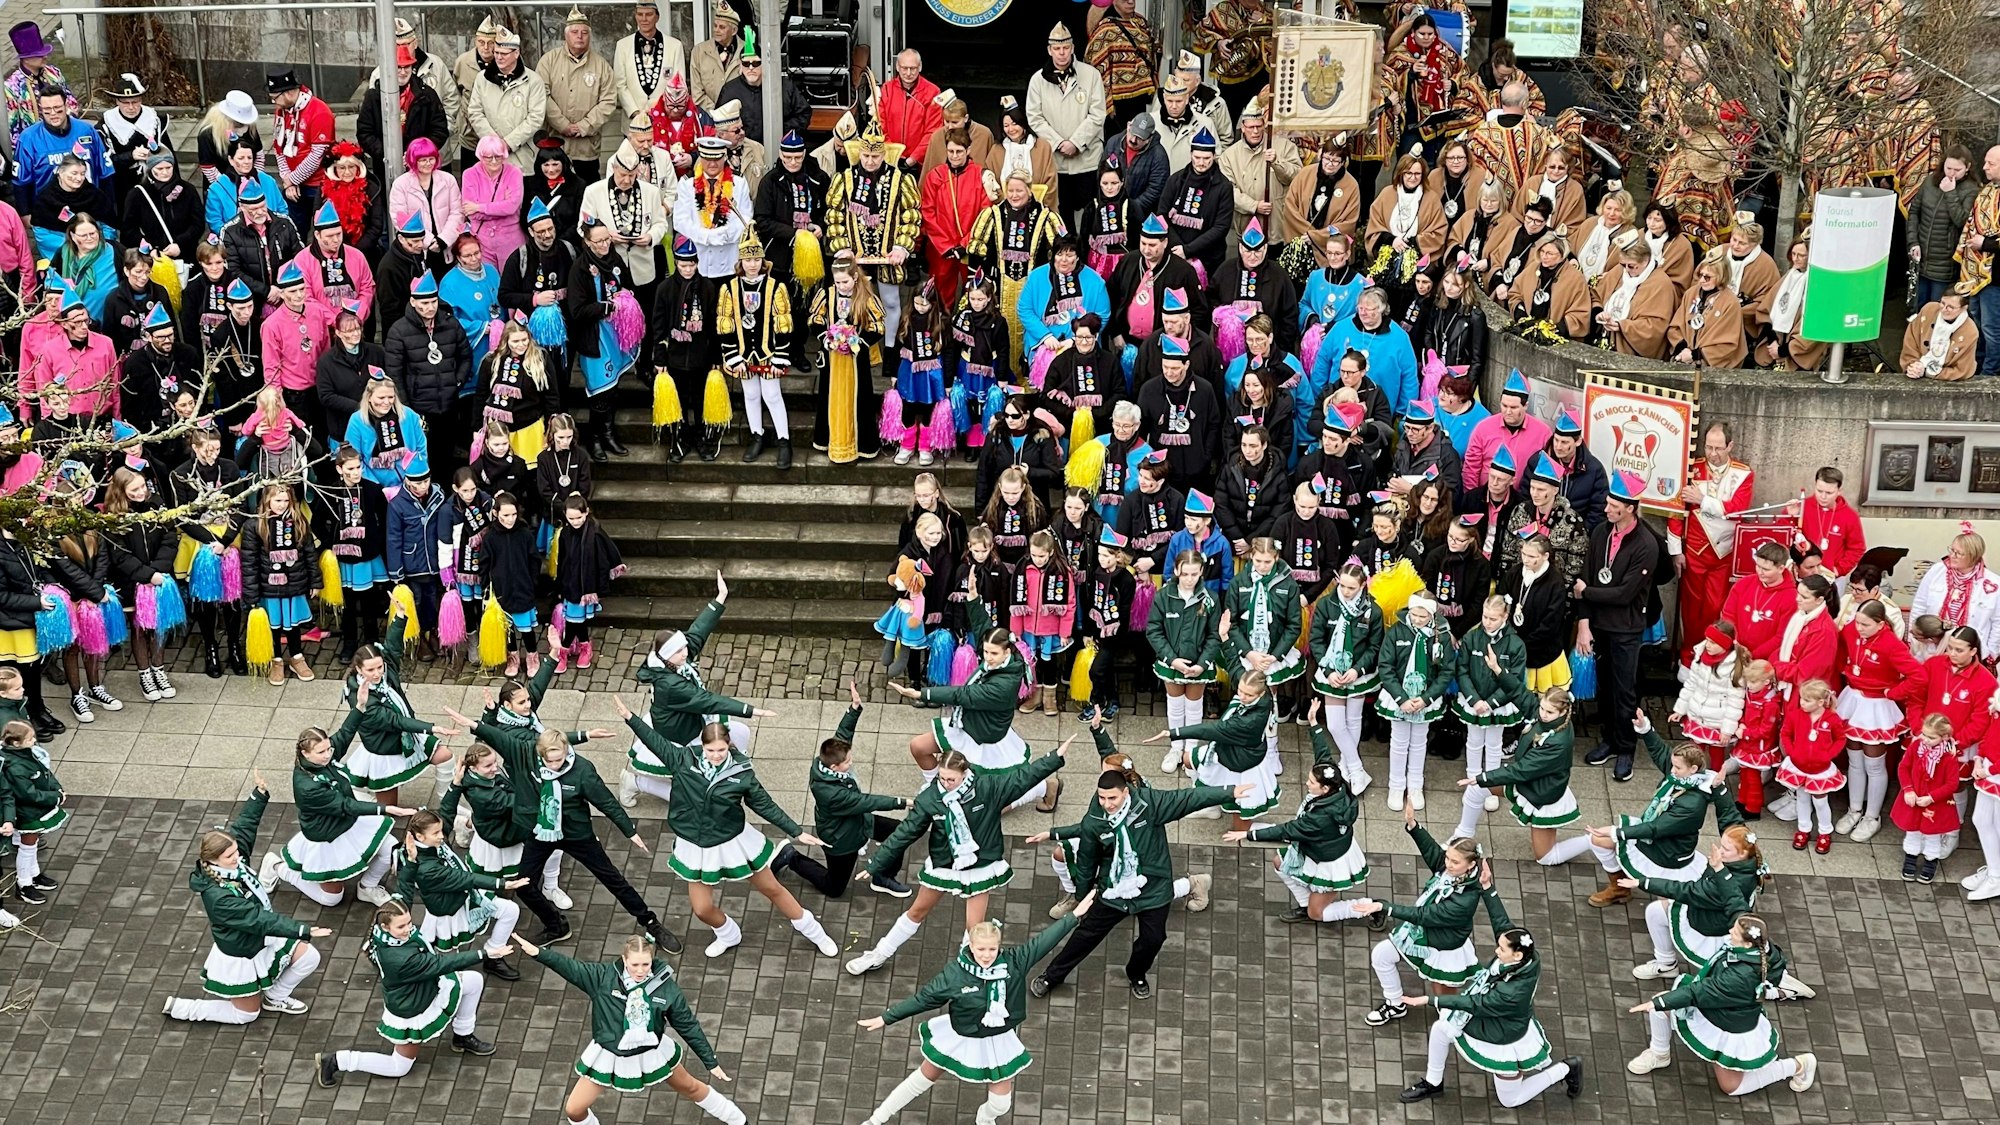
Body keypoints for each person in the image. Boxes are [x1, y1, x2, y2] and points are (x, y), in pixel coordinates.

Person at [616, 696, 837, 959]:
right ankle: (729, 934)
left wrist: (796, 831)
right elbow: (655, 740)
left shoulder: (741, 773)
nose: (716, 755)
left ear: (729, 745)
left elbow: (764, 805)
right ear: (702, 746)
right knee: (701, 909)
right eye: (711, 750)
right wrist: (630, 718)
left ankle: (816, 933)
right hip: (695, 844)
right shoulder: (682, 759)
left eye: (721, 749)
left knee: (772, 888)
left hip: (732, 839)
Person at [842, 739, 1070, 976]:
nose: (945, 784)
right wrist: (877, 862)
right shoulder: (930, 798)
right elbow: (905, 832)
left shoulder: (987, 787)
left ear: (965, 773)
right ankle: (879, 954)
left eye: (951, 779)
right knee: (916, 911)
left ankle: (964, 974)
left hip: (980, 864)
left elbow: (1024, 778)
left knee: (974, 927)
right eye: (942, 778)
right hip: (946, 863)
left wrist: (1055, 757)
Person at [855, 902, 1088, 1125]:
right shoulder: (954, 975)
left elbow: (1044, 941)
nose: (986, 955)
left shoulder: (1015, 962)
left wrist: (1074, 916)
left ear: (999, 947)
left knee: (1001, 1104)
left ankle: (985, 1118)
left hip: (999, 1039)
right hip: (961, 1036)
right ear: (971, 946)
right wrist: (886, 1018)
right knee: (922, 1079)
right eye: (981, 949)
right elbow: (923, 1000)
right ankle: (876, 1120)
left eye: (992, 949)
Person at [1026, 766, 1235, 999]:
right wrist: (1082, 898)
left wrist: (1230, 792)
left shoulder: (1150, 804)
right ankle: (1052, 976)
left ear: (1125, 792)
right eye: (1102, 798)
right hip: (1114, 890)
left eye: (1112, 798)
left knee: (1154, 939)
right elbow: (1086, 862)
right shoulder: (1094, 820)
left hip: (1153, 888)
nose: (1107, 804)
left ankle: (1136, 973)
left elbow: (1189, 798)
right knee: (1086, 935)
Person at [516, 931, 746, 1125]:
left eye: (645, 964)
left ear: (652, 961)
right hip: (609, 1053)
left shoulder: (666, 989)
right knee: (574, 1110)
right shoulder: (602, 978)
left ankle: (737, 1119)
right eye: (635, 964)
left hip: (651, 1052)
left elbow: (687, 1025)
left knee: (692, 1088)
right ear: (624, 960)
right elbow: (570, 967)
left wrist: (710, 1061)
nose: (640, 970)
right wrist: (538, 953)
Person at [164, 770, 332, 1024]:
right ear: (213, 860)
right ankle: (182, 1008)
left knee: (309, 957)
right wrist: (302, 930)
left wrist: (259, 795)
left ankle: (275, 997)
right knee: (246, 1014)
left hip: (259, 937)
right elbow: (257, 919)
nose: (238, 857)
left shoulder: (231, 864)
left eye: (235, 851)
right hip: (242, 952)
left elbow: (244, 827)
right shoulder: (219, 897)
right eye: (230, 856)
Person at [1393, 897, 1582, 1107]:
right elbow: (1500, 921)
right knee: (1441, 1028)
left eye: (1502, 949)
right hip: (1493, 1019)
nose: (1496, 951)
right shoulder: (1525, 957)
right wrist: (1488, 890)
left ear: (1517, 955)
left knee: (1510, 1100)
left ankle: (1565, 1069)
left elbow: (1475, 1003)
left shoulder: (1511, 993)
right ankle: (1433, 1083)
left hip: (1502, 1034)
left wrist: (1430, 999)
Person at [1625, 914, 1818, 1097]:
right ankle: (1659, 1054)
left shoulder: (1740, 977)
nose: (1730, 931)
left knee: (1731, 1087)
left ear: (1747, 943)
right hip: (1718, 1009)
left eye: (1735, 932)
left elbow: (1701, 991)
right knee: (1661, 1007)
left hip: (1728, 1025)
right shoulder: (1759, 949)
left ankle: (1799, 1065)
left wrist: (1658, 1003)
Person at [1228, 706, 1370, 921]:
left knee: (1318, 914)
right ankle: (1305, 905)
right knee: (1280, 863)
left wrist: (1247, 835)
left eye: (1311, 782)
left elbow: (1287, 830)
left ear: (1324, 789)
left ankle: (1373, 907)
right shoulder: (1336, 784)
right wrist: (1314, 724)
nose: (1307, 783)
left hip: (1329, 862)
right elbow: (1323, 754)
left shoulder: (1320, 819)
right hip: (1318, 850)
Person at [1350, 807, 1489, 1025]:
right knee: (1381, 955)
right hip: (1422, 934)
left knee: (1444, 1000)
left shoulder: (1466, 899)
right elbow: (1433, 852)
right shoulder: (1452, 871)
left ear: (1471, 865)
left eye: (1455, 862)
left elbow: (1424, 915)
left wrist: (1384, 908)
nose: (1448, 864)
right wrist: (1413, 825)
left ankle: (1455, 1024)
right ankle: (1395, 1003)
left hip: (1444, 947)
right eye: (1448, 858)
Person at [778, 682, 914, 898]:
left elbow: (841, 737)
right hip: (841, 839)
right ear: (835, 767)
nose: (851, 762)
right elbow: (867, 802)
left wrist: (854, 709)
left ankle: (883, 877)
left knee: (897, 832)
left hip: (858, 822)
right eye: (848, 762)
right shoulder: (833, 795)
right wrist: (903, 802)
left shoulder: (825, 761)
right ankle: (791, 857)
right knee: (834, 888)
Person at [1577, 473, 1659, 780]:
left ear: (1630, 509)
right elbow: (1586, 575)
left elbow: (1624, 594)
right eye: (1607, 503)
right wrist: (1585, 623)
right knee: (1605, 688)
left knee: (1625, 691)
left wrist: (1587, 592)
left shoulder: (1646, 544)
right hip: (1600, 624)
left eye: (1613, 506)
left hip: (1626, 628)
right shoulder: (1601, 532)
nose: (1606, 509)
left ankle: (1626, 748)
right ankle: (1609, 740)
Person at [823, 120, 922, 343]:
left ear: (884, 155)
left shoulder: (900, 179)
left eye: (875, 157)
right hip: (854, 254)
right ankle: (854, 344)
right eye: (866, 156)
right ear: (859, 153)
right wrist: (842, 247)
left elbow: (911, 215)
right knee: (852, 301)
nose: (869, 161)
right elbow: (834, 214)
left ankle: (890, 348)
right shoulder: (845, 178)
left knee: (891, 302)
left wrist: (902, 247)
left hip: (888, 253)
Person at [1836, 598, 1924, 841]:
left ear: (1880, 623)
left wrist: (1894, 693)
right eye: (1857, 622)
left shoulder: (1892, 644)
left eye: (1865, 624)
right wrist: (1845, 668)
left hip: (1876, 706)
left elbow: (1918, 676)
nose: (1859, 628)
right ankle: (1854, 810)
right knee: (1855, 760)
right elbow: (1841, 645)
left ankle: (1872, 817)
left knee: (1874, 764)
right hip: (1853, 699)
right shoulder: (1852, 630)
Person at [1669, 420, 1754, 665]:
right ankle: (1688, 657)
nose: (1712, 454)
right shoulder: (1690, 469)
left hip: (1724, 554)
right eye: (1708, 447)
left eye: (1718, 448)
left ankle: (1712, 655)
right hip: (1693, 552)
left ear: (1730, 446)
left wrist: (1703, 500)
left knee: (1716, 608)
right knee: (1691, 609)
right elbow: (1676, 511)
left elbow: (1737, 510)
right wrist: (1676, 551)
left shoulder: (1743, 474)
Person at [1029, 22, 1108, 220]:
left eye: (1065, 48)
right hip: (1056, 159)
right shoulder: (1037, 80)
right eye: (1057, 49)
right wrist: (1058, 143)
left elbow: (1098, 114)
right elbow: (1034, 117)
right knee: (1060, 214)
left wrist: (1076, 142)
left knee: (1090, 211)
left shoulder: (1091, 75)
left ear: (1073, 48)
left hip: (1087, 158)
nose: (1062, 53)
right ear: (1049, 50)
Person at [538, 8, 619, 183]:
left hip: (586, 148)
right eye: (575, 32)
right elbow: (541, 96)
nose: (580, 36)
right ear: (566, 35)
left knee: (587, 191)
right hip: (555, 144)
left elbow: (608, 101)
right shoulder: (548, 61)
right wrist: (563, 124)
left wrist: (583, 126)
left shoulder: (601, 66)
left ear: (590, 36)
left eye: (584, 32)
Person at [14, 83, 113, 211]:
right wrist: (25, 214)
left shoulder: (86, 130)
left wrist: (109, 209)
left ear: (66, 106)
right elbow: (20, 183)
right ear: (41, 109)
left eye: (57, 108)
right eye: (47, 110)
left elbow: (105, 173)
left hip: (89, 208)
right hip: (49, 211)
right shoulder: (28, 138)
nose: (53, 113)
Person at [471, 27, 550, 172]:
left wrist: (509, 142)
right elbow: (475, 112)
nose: (499, 57)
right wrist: (494, 143)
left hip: (523, 159)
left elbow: (535, 118)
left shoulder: (533, 81)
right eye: (496, 52)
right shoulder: (482, 79)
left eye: (504, 53)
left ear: (516, 53)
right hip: (490, 158)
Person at [1908, 147, 1975, 310]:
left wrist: (1950, 193)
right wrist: (1913, 242)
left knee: (1938, 307)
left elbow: (1962, 221)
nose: (1951, 173)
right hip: (1921, 256)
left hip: (1945, 262)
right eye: (1948, 168)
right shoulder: (1930, 181)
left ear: (1967, 168)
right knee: (1918, 307)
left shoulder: (1971, 189)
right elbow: (1914, 212)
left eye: (1957, 170)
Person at [1086, 0, 1162, 140]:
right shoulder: (1104, 29)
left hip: (1140, 96)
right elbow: (1097, 66)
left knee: (1138, 139)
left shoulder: (1141, 22)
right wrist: (1107, 101)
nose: (1130, 1)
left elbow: (1150, 53)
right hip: (1117, 101)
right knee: (1117, 142)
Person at [614, 1, 686, 131]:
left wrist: (661, 111)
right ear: (635, 16)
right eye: (640, 14)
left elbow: (678, 85)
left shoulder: (674, 46)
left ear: (657, 17)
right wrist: (635, 112)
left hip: (664, 121)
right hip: (633, 123)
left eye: (649, 14)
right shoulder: (623, 45)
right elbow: (620, 84)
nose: (644, 19)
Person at [4, 22, 71, 145]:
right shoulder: (12, 87)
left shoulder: (54, 73)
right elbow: (13, 128)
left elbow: (70, 102)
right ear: (26, 58)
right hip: (35, 146)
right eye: (39, 55)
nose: (45, 56)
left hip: (65, 137)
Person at [689, 7, 743, 110]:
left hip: (740, 114)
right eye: (715, 26)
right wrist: (717, 112)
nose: (716, 30)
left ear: (734, 31)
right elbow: (697, 93)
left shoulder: (746, 51)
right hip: (709, 115)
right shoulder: (699, 51)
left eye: (722, 27)